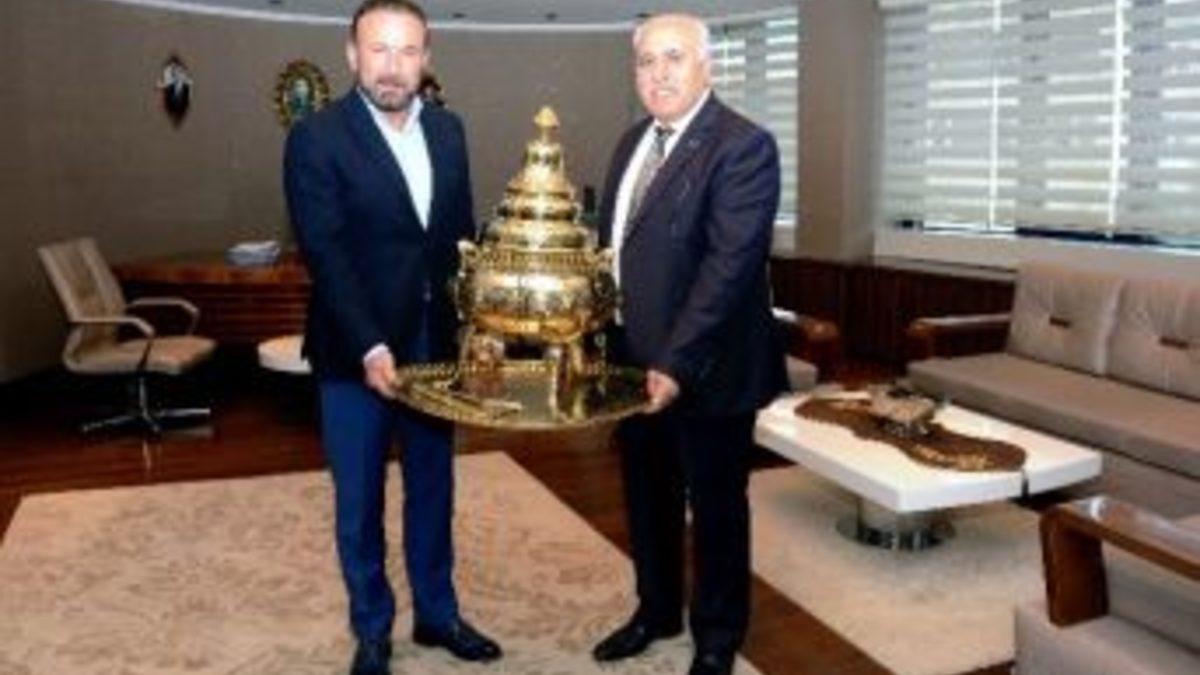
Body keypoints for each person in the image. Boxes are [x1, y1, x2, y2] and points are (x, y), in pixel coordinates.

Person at [282, 2, 501, 674]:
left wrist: (476, 333)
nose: (392, 66)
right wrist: (372, 345)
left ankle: (438, 615)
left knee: (434, 489)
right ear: (352, 55)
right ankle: (372, 628)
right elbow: (326, 253)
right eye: (378, 49)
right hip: (356, 354)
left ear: (426, 59)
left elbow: (459, 242)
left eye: (407, 51)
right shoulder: (317, 137)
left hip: (435, 349)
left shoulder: (449, 131)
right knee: (360, 500)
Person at [592, 13, 787, 675]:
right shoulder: (631, 143)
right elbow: (616, 255)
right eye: (646, 61)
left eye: (674, 58)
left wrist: (674, 362)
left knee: (716, 510)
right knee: (647, 498)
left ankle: (717, 637)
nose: (659, 74)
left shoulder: (744, 146)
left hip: (709, 369)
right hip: (631, 365)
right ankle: (656, 611)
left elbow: (728, 270)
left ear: (708, 65)